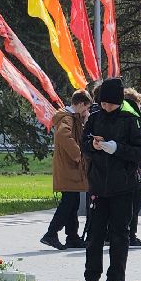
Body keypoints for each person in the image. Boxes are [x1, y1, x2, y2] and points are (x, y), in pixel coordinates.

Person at [79, 77, 141, 281]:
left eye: (110, 103)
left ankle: (116, 278)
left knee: (120, 234)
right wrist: (92, 145)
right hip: (98, 184)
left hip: (124, 185)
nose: (106, 107)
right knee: (94, 234)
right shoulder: (94, 118)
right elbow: (84, 144)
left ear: (119, 102)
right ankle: (91, 277)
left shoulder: (130, 119)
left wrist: (117, 148)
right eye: (102, 103)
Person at [41, 90, 90, 250]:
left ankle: (72, 237)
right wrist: (78, 154)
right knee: (68, 203)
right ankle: (51, 233)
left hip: (70, 167)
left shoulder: (72, 117)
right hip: (68, 167)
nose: (86, 111)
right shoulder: (67, 118)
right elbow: (63, 135)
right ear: (81, 104)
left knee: (73, 203)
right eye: (85, 108)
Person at [121, 87, 141, 246]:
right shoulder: (131, 120)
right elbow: (138, 146)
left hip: (131, 169)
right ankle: (130, 235)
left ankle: (130, 234)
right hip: (131, 170)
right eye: (138, 104)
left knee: (133, 204)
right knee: (133, 204)